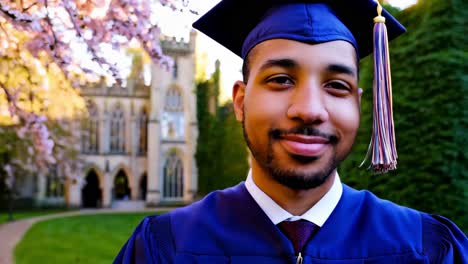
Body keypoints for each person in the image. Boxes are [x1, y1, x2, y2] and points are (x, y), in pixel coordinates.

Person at [114, 0, 468, 263]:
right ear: (239, 101)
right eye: (281, 80)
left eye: (336, 85)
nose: (310, 109)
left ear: (359, 105)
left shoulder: (427, 249)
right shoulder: (163, 248)